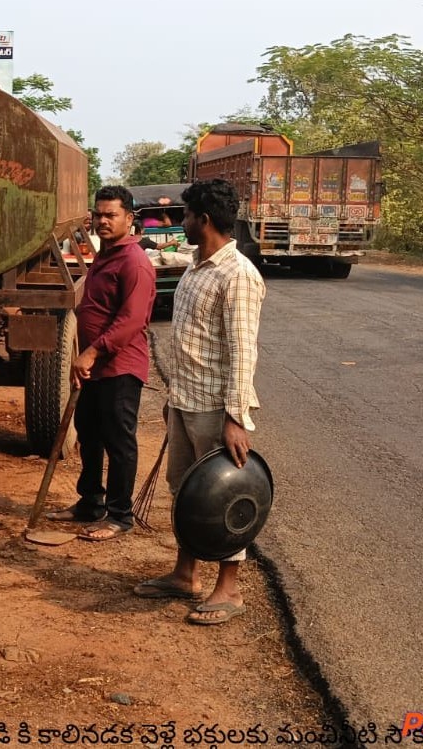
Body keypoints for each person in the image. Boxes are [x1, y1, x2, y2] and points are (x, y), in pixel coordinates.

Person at [133, 179, 265, 625]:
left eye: (185, 215)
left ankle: (228, 589)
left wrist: (236, 418)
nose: (181, 222)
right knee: (187, 493)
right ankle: (184, 574)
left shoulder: (238, 275)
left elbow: (243, 352)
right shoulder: (195, 267)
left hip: (216, 409)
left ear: (202, 220)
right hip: (186, 401)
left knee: (226, 495)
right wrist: (174, 400)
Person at [47, 186, 156, 540]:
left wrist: (93, 352)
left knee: (118, 442)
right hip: (92, 366)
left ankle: (119, 515)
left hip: (120, 367)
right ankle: (90, 503)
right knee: (89, 435)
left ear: (129, 219)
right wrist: (81, 357)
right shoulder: (105, 255)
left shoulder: (134, 262)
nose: (103, 221)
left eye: (111, 215)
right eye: (99, 214)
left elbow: (131, 320)